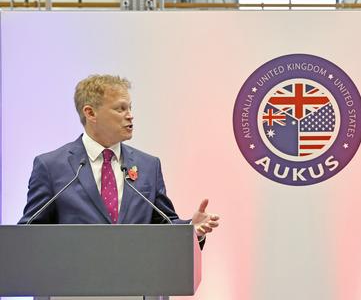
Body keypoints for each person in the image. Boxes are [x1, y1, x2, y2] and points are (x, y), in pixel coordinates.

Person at [18, 74, 219, 247]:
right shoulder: (51, 167)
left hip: (138, 284)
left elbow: (163, 224)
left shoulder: (148, 166)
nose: (130, 116)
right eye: (120, 109)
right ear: (90, 113)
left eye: (130, 108)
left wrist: (190, 229)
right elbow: (29, 234)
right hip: (71, 285)